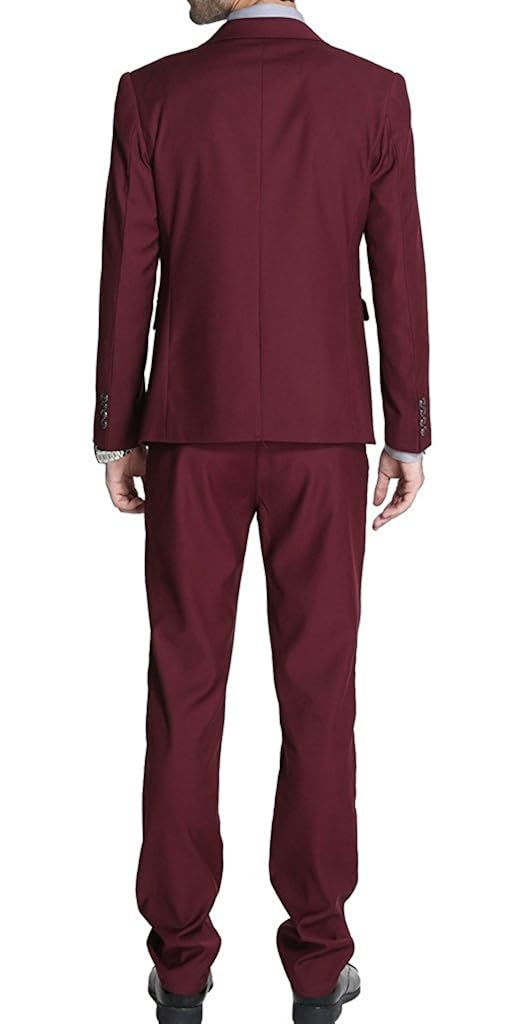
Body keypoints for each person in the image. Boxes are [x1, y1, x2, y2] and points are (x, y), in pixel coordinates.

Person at [93, 2, 431, 1021]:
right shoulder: (372, 95)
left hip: (187, 430)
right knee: (320, 694)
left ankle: (180, 968)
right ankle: (319, 966)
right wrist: (408, 428)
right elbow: (399, 268)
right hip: (323, 432)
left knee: (183, 691)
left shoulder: (152, 95)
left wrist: (115, 426)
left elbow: (129, 269)